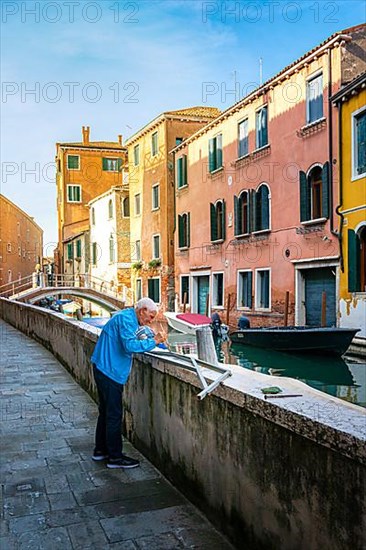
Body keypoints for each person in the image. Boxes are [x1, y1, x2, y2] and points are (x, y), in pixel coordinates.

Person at [91, 297, 166, 469]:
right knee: (114, 415)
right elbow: (130, 345)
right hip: (109, 371)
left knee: (106, 412)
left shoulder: (128, 318)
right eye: (151, 315)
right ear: (142, 311)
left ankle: (100, 450)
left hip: (103, 367)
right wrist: (155, 341)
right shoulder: (126, 319)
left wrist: (148, 334)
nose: (152, 320)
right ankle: (115, 458)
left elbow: (135, 334)